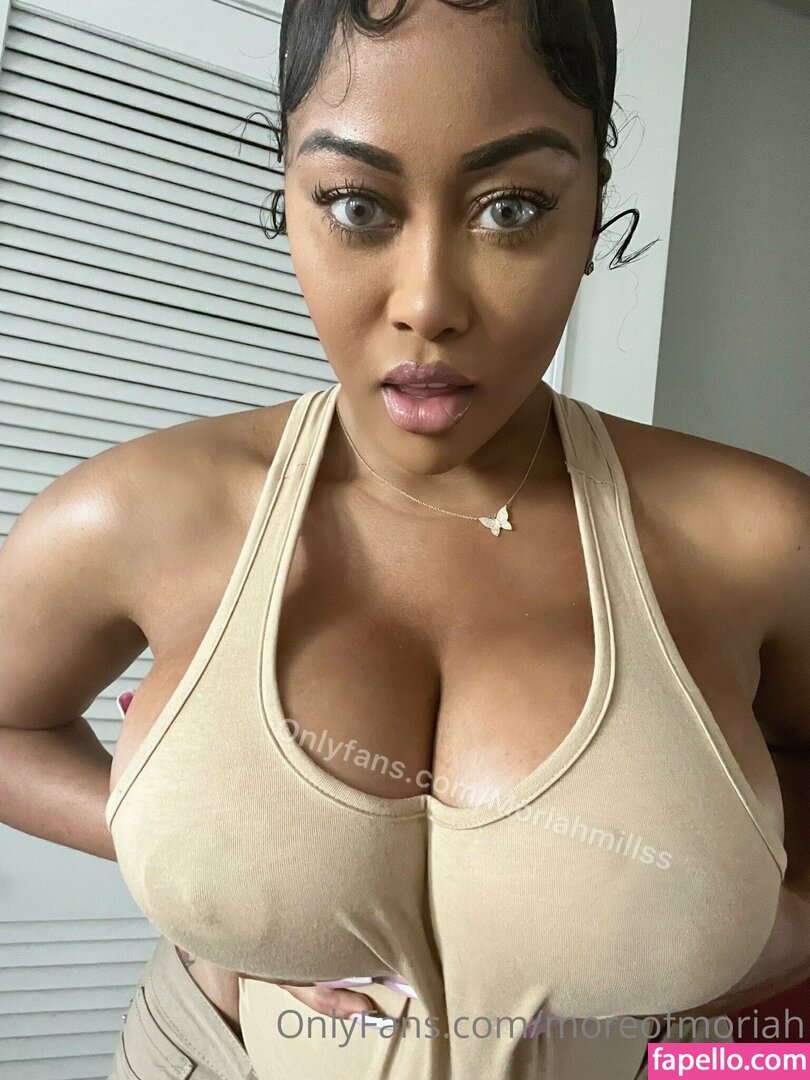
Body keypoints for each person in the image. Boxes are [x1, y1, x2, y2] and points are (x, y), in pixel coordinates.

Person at [0, 0, 807, 1077]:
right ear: (287, 197)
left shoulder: (760, 542)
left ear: (593, 211)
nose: (428, 303)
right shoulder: (138, 514)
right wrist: (157, 829)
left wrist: (774, 910)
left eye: (513, 207)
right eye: (356, 205)